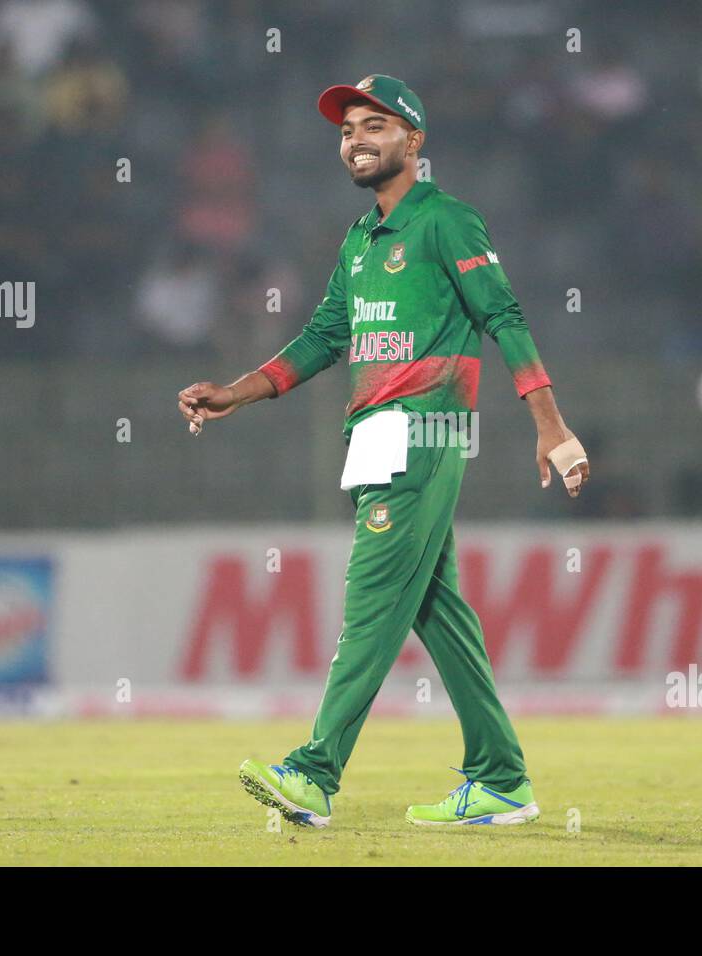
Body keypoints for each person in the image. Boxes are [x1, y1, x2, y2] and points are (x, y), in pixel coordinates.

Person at [176, 75, 589, 827]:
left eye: (374, 125)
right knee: (437, 611)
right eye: (345, 131)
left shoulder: (448, 220)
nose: (355, 140)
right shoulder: (361, 240)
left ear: (414, 141)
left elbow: (505, 315)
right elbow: (326, 337)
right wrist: (237, 392)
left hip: (422, 431)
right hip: (376, 437)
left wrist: (550, 424)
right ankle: (501, 780)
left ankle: (313, 772)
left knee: (370, 604)